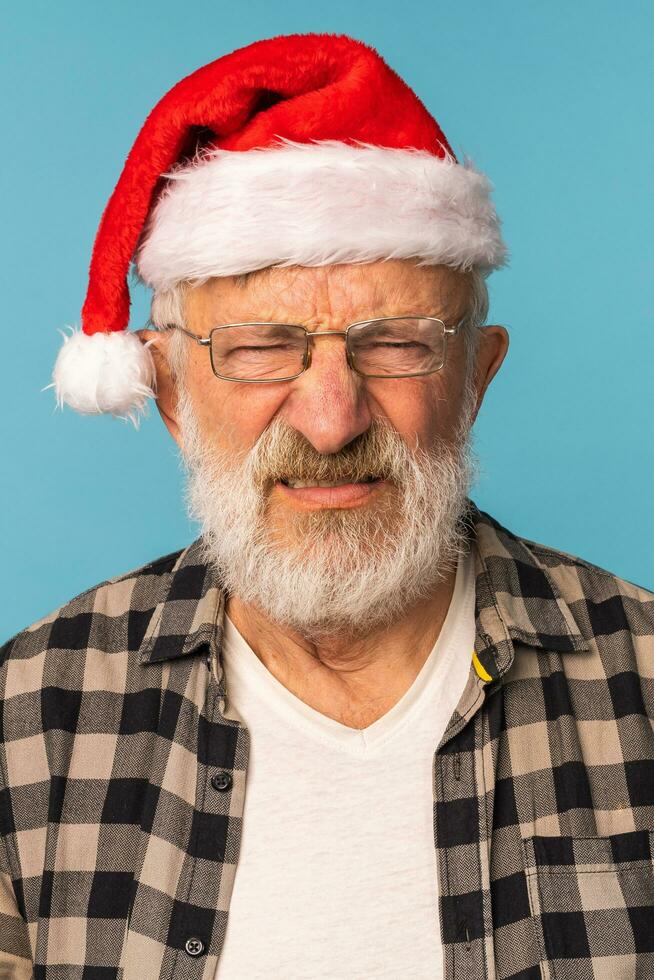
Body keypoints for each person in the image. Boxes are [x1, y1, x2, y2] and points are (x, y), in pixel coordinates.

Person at [1, 31, 652, 980]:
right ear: (174, 395)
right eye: (261, 346)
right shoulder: (30, 718)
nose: (332, 416)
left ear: (475, 378)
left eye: (395, 343)